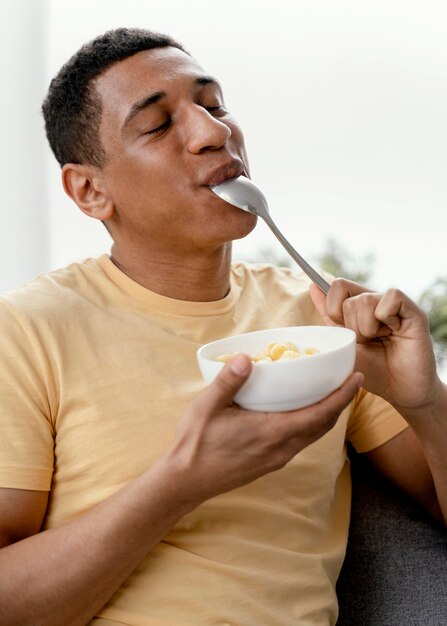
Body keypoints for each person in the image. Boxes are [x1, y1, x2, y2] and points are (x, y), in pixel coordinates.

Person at [0, 27, 445, 626]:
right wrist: (184, 481)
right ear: (90, 190)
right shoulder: (26, 332)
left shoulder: (320, 323)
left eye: (213, 106)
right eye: (158, 126)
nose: (214, 133)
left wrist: (424, 400)